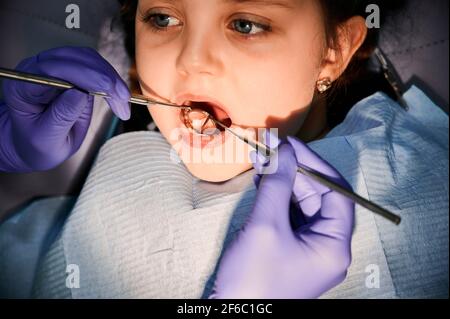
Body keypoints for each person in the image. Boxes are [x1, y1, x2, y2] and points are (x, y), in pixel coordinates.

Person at [2, 0, 447, 299]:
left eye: (245, 25)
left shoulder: (424, 199)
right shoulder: (87, 189)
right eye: (163, 18)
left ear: (335, 50)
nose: (190, 60)